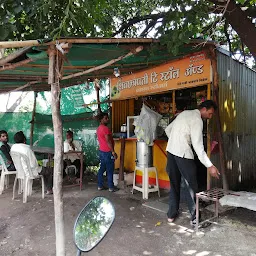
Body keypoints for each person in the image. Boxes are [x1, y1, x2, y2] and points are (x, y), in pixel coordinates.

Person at [165, 100, 220, 227]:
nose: (210, 117)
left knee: (174, 184)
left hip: (171, 152)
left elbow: (168, 130)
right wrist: (210, 166)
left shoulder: (184, 114)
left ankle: (171, 215)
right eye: (210, 114)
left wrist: (176, 141)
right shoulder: (197, 120)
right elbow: (198, 147)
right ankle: (195, 219)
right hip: (183, 154)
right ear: (204, 109)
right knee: (191, 186)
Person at [96, 112, 119, 192]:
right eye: (106, 118)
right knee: (110, 170)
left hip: (102, 151)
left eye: (107, 118)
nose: (107, 119)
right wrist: (113, 152)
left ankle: (100, 185)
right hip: (108, 152)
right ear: (101, 119)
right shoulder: (105, 129)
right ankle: (111, 187)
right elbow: (108, 141)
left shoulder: (99, 128)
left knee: (102, 169)